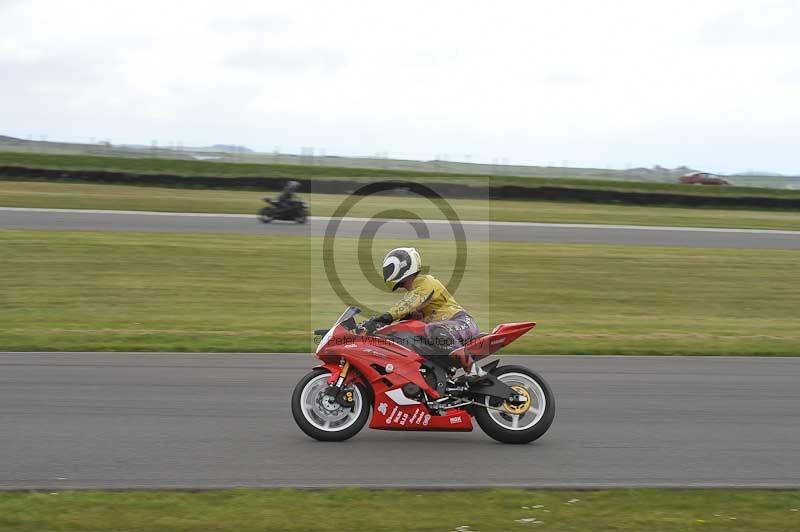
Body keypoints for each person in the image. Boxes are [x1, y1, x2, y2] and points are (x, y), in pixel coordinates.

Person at [362, 247, 486, 380]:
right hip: (445, 332)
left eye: (390, 268)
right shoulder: (413, 294)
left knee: (432, 329)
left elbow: (407, 305)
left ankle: (474, 370)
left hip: (462, 322)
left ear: (403, 266)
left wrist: (383, 318)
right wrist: (373, 328)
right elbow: (405, 318)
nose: (387, 272)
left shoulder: (426, 282)